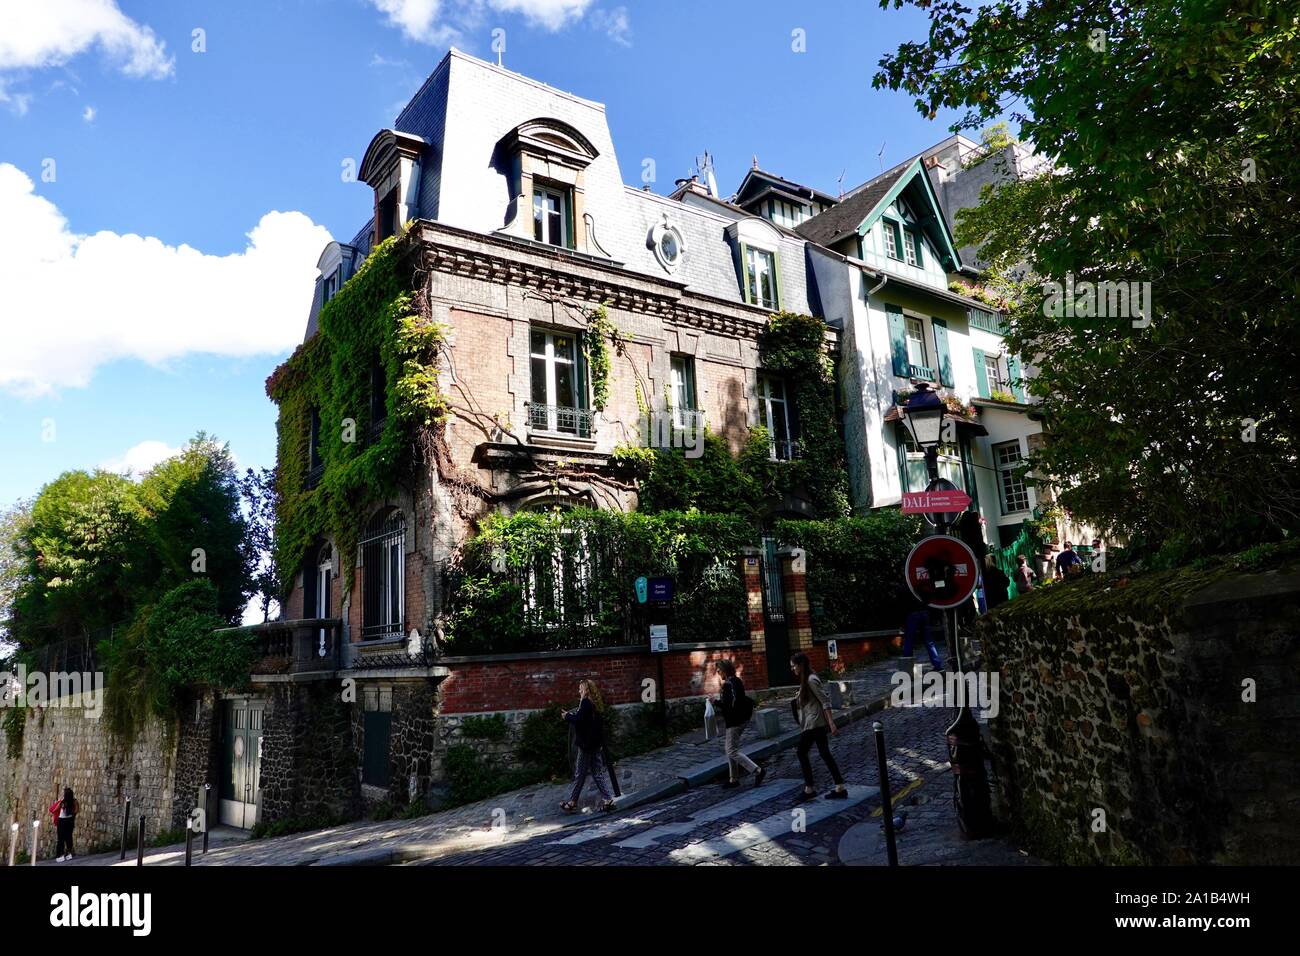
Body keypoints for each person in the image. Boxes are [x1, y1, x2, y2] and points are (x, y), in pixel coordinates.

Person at [789, 652, 848, 802]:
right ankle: (840, 787)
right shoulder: (806, 679)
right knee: (824, 753)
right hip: (813, 723)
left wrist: (832, 723)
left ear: (800, 665)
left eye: (794, 666)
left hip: (814, 724)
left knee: (802, 752)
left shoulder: (810, 680)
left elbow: (825, 701)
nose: (792, 669)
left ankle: (810, 789)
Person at [560, 678, 616, 813]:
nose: (579, 690)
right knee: (597, 772)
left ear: (585, 690)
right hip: (595, 744)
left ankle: (572, 802)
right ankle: (608, 799)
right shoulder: (594, 703)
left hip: (586, 746)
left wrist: (567, 716)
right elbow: (591, 723)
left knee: (579, 774)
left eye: (581, 688)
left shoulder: (585, 702)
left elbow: (578, 720)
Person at [713, 660, 765, 789]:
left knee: (731, 751)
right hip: (742, 718)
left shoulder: (727, 685)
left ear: (724, 671)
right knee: (730, 749)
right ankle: (733, 779)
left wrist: (715, 702)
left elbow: (727, 707)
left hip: (734, 721)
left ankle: (757, 770)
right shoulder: (737, 681)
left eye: (719, 670)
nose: (717, 673)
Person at [50, 787, 78, 862]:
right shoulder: (74, 801)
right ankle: (69, 854)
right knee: (69, 837)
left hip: (62, 821)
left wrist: (58, 802)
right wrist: (71, 814)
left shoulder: (63, 802)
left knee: (60, 839)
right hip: (70, 821)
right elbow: (76, 810)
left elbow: (54, 810)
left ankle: (60, 855)